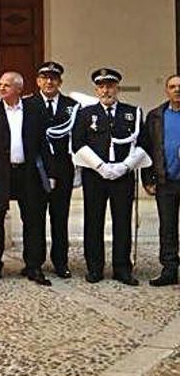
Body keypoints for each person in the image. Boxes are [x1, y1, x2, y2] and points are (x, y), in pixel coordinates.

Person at [72, 67, 151, 285]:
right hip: (95, 176)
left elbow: (144, 144)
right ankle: (95, 268)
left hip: (123, 176)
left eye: (110, 86)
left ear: (117, 88)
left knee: (123, 221)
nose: (106, 90)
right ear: (96, 90)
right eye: (101, 86)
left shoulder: (132, 113)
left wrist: (125, 167)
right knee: (93, 221)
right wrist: (100, 166)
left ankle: (122, 268)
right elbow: (78, 143)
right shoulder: (85, 114)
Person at [0, 72, 52, 286]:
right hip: (0, 174)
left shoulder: (35, 111)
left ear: (19, 88)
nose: (2, 88)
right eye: (0, 84)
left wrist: (50, 173)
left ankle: (34, 266)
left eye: (7, 85)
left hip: (28, 173)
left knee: (34, 220)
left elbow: (43, 144)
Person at [26, 61, 77, 278]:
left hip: (62, 170)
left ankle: (60, 262)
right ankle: (33, 263)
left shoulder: (71, 106)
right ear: (38, 81)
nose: (49, 82)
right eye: (45, 78)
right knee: (34, 219)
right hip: (35, 172)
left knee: (60, 218)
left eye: (53, 78)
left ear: (60, 81)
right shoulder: (27, 104)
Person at [142, 75, 180, 286]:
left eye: (179, 87)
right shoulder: (156, 116)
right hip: (166, 181)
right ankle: (169, 269)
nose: (177, 90)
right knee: (167, 227)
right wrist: (148, 179)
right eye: (172, 87)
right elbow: (147, 149)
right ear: (166, 90)